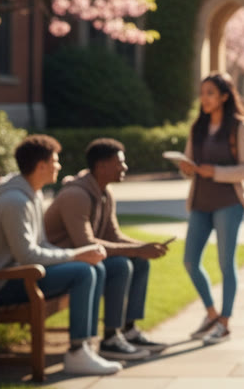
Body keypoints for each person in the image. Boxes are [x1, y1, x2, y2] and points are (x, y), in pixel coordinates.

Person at [0, 135, 121, 376]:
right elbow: (26, 254)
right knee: (83, 271)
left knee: (94, 267)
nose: (59, 166)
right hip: (2, 283)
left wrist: (79, 254)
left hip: (22, 274)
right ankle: (77, 352)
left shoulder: (32, 194)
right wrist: (76, 256)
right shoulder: (14, 201)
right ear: (41, 165)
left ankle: (85, 345)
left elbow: (42, 244)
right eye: (55, 161)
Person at [45, 138, 169, 361]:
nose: (125, 168)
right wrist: (138, 249)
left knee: (140, 261)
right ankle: (110, 338)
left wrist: (143, 248)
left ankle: (128, 330)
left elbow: (114, 236)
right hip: (61, 262)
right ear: (101, 166)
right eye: (120, 163)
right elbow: (86, 243)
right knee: (120, 264)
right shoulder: (76, 195)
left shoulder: (105, 192)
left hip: (82, 259)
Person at [177, 73, 244, 345]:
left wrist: (215, 172)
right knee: (190, 261)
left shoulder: (240, 127)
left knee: (226, 263)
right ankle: (211, 313)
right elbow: (190, 164)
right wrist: (187, 169)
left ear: (224, 96)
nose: (204, 98)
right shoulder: (197, 127)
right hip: (200, 201)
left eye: (210, 93)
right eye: (202, 93)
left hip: (229, 203)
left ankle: (224, 322)